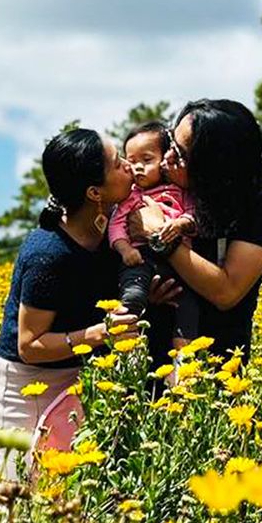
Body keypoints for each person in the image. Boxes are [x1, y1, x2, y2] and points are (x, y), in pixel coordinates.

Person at [0, 128, 171, 475]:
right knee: (23, 492)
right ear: (94, 192)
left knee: (71, 492)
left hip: (80, 377)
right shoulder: (48, 253)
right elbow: (30, 345)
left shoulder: (113, 231)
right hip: (25, 386)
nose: (129, 166)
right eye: (117, 164)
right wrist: (101, 333)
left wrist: (146, 301)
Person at [131, 99, 262, 363]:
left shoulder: (259, 207)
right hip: (151, 363)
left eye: (179, 154)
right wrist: (144, 290)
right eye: (169, 142)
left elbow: (226, 292)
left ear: (212, 166)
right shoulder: (155, 186)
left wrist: (160, 237)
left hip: (220, 368)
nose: (166, 158)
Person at [107, 122, 199, 351]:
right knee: (134, 280)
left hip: (179, 261)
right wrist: (125, 250)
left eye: (147, 160)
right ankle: (129, 319)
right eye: (132, 161)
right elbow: (116, 225)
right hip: (142, 256)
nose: (138, 167)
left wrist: (181, 223)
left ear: (165, 159)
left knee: (188, 305)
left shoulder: (180, 191)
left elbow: (194, 216)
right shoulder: (130, 197)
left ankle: (183, 356)